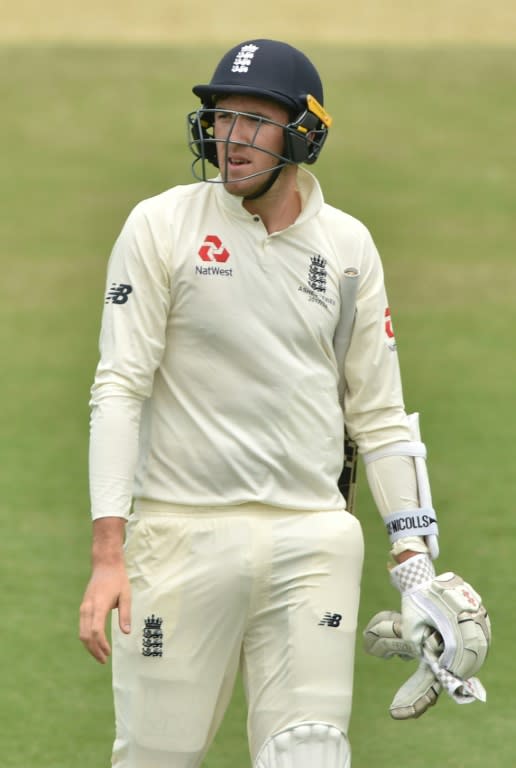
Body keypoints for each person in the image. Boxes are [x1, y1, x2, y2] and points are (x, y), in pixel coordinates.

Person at [79, 39, 490, 768]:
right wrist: (108, 553)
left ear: (304, 133)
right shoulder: (161, 226)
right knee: (155, 758)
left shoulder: (348, 246)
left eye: (254, 121)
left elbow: (380, 412)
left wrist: (414, 556)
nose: (231, 138)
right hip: (180, 536)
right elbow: (119, 386)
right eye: (222, 117)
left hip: (313, 541)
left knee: (312, 753)